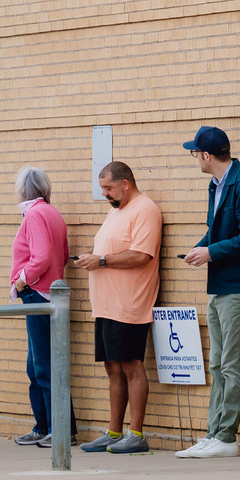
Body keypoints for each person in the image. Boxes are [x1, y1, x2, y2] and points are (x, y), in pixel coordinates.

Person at [177, 126, 240, 458]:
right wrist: (200, 248)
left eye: (195, 153)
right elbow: (214, 231)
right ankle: (213, 433)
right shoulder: (216, 185)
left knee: (231, 364)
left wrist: (211, 252)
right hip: (220, 287)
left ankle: (227, 436)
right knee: (217, 364)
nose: (195, 158)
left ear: (206, 155)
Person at [75, 161, 162, 454]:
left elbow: (141, 255)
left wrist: (100, 261)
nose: (105, 194)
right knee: (112, 368)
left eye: (108, 188)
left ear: (125, 184)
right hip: (105, 305)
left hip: (130, 303)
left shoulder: (145, 209)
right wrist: (93, 256)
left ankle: (136, 434)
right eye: (102, 188)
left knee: (131, 365)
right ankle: (114, 432)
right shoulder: (115, 211)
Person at [9, 166, 78, 448]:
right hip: (49, 293)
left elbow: (41, 257)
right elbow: (59, 257)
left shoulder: (35, 214)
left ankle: (58, 429)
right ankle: (44, 426)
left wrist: (23, 281)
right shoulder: (52, 212)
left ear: (24, 189)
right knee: (38, 365)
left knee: (44, 366)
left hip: (38, 294)